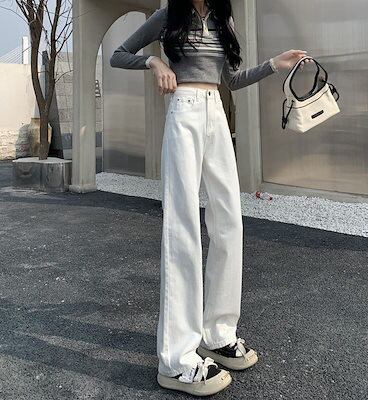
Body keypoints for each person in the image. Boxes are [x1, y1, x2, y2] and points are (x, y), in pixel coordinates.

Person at [110, 0, 309, 396]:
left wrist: (275, 64)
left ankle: (218, 334)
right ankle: (177, 359)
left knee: (229, 222)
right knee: (182, 225)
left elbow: (231, 79)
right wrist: (154, 62)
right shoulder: (168, 16)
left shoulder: (222, 19)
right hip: (183, 111)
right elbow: (118, 54)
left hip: (216, 112)